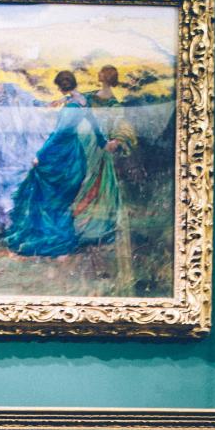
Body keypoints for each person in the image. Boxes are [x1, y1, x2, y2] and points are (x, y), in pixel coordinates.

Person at [6, 71, 107, 258]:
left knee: (50, 198)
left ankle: (57, 243)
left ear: (61, 87)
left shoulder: (71, 108)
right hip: (74, 155)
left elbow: (58, 134)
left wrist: (39, 154)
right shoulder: (82, 100)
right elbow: (93, 122)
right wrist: (102, 142)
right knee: (59, 200)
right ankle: (59, 240)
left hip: (60, 157)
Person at [74, 65, 137, 288]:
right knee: (83, 181)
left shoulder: (112, 104)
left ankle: (92, 228)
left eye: (104, 75)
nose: (102, 77)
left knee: (95, 183)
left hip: (100, 150)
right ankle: (82, 227)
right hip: (86, 146)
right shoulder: (92, 97)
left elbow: (122, 128)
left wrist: (116, 142)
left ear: (105, 78)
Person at [0, 67, 51, 231]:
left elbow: (28, 99)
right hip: (0, 140)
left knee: (24, 171)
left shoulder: (10, 88)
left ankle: (28, 214)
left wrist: (44, 104)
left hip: (18, 135)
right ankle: (12, 217)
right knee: (6, 177)